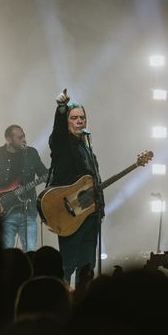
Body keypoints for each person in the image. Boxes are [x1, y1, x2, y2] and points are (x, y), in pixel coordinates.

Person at [47, 89, 102, 286]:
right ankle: (61, 302)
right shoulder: (62, 143)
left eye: (82, 117)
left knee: (87, 268)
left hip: (90, 215)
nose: (79, 121)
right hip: (71, 214)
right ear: (67, 122)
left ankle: (82, 305)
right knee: (67, 265)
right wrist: (61, 108)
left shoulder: (87, 149)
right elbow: (58, 132)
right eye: (74, 118)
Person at [0, 124, 48, 251]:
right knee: (6, 253)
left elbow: (44, 174)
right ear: (9, 139)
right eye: (19, 137)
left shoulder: (31, 153)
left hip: (28, 211)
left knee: (30, 252)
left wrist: (51, 174)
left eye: (24, 136)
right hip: (4, 213)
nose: (24, 140)